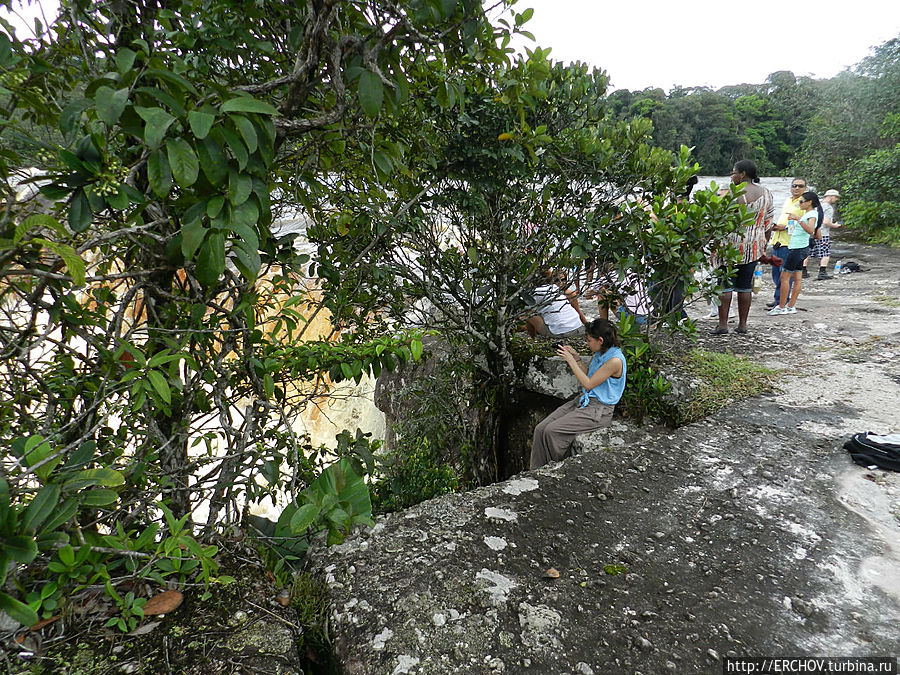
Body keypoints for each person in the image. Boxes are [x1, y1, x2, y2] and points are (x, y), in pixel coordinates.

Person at [530, 318, 626, 469]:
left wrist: (570, 361)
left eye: (588, 340)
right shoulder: (601, 352)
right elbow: (591, 377)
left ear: (600, 340)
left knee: (551, 431)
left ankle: (552, 469)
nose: (587, 344)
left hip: (599, 410)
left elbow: (588, 383)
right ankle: (535, 471)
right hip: (585, 401)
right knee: (540, 429)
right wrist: (577, 359)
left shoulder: (614, 360)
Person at [710, 160, 774, 335]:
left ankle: (723, 325)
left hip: (729, 245)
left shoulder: (732, 194)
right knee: (745, 286)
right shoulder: (767, 193)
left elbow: (720, 222)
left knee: (724, 285)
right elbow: (768, 223)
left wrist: (714, 247)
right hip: (753, 245)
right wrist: (763, 247)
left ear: (742, 174)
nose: (732, 176)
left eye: (733, 173)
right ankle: (742, 325)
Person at [770, 191, 823, 315]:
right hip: (801, 248)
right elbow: (817, 234)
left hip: (797, 249)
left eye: (801, 202)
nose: (799, 204)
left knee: (785, 277)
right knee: (797, 278)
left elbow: (810, 230)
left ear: (809, 202)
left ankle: (781, 306)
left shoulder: (811, 215)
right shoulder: (812, 214)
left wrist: (797, 219)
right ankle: (791, 306)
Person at [767, 177, 806, 307]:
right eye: (794, 185)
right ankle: (778, 297)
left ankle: (782, 301)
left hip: (790, 242)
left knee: (785, 274)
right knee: (775, 272)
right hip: (778, 239)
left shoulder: (804, 203)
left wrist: (786, 227)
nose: (797, 188)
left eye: (800, 186)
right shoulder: (788, 200)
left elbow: (805, 221)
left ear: (805, 188)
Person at [524, 271, 587, 338]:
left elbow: (524, 309)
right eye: (557, 280)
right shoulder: (554, 288)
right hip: (578, 326)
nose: (560, 283)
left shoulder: (535, 293)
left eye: (563, 280)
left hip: (560, 332)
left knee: (527, 312)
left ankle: (533, 338)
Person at [810, 189, 843, 279]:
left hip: (812, 232)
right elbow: (826, 222)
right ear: (830, 196)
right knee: (825, 253)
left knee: (808, 252)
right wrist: (835, 225)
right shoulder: (828, 207)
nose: (836, 199)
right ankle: (822, 272)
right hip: (823, 233)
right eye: (836, 197)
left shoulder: (816, 206)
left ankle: (804, 271)